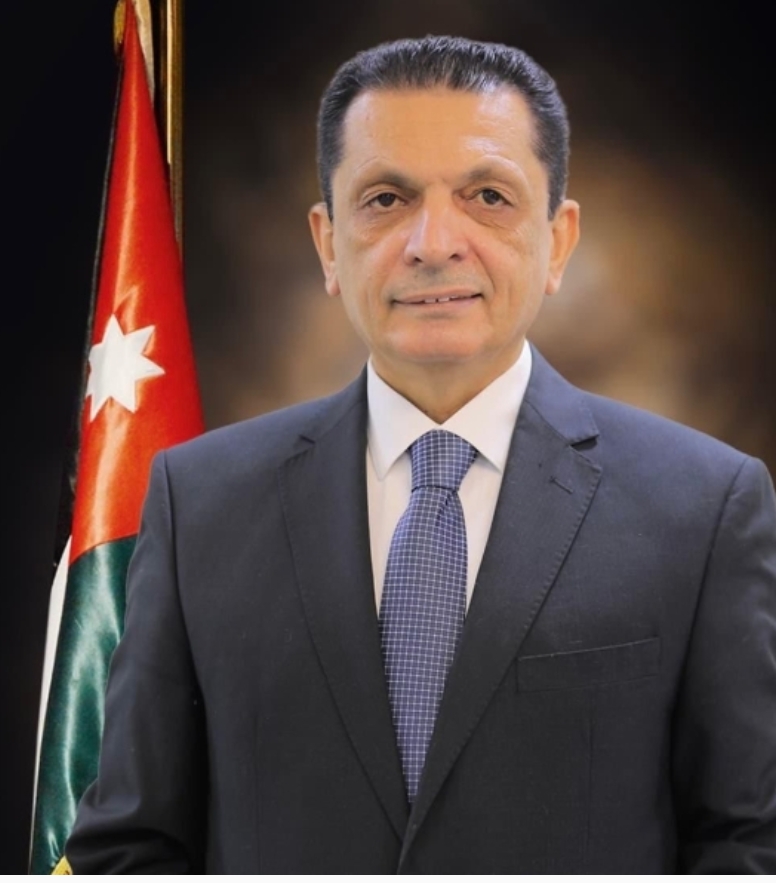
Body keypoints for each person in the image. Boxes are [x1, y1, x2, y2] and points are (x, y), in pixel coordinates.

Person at [65, 35, 776, 873]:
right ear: (329, 244)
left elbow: (747, 841)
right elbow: (132, 847)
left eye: (488, 196)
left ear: (560, 240)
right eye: (386, 198)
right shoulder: (200, 504)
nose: (434, 242)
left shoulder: (705, 507)